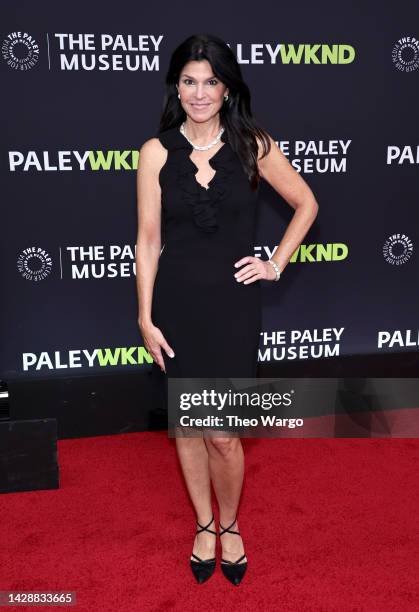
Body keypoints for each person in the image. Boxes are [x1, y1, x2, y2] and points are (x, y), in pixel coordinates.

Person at [135, 33, 319, 586]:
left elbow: (307, 203)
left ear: (227, 88)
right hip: (177, 307)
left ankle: (231, 524)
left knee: (223, 433)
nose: (199, 92)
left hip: (233, 308)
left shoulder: (252, 145)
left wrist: (275, 263)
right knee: (189, 428)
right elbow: (146, 240)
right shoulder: (155, 152)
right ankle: (204, 523)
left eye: (210, 81)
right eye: (189, 80)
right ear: (176, 86)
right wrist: (145, 318)